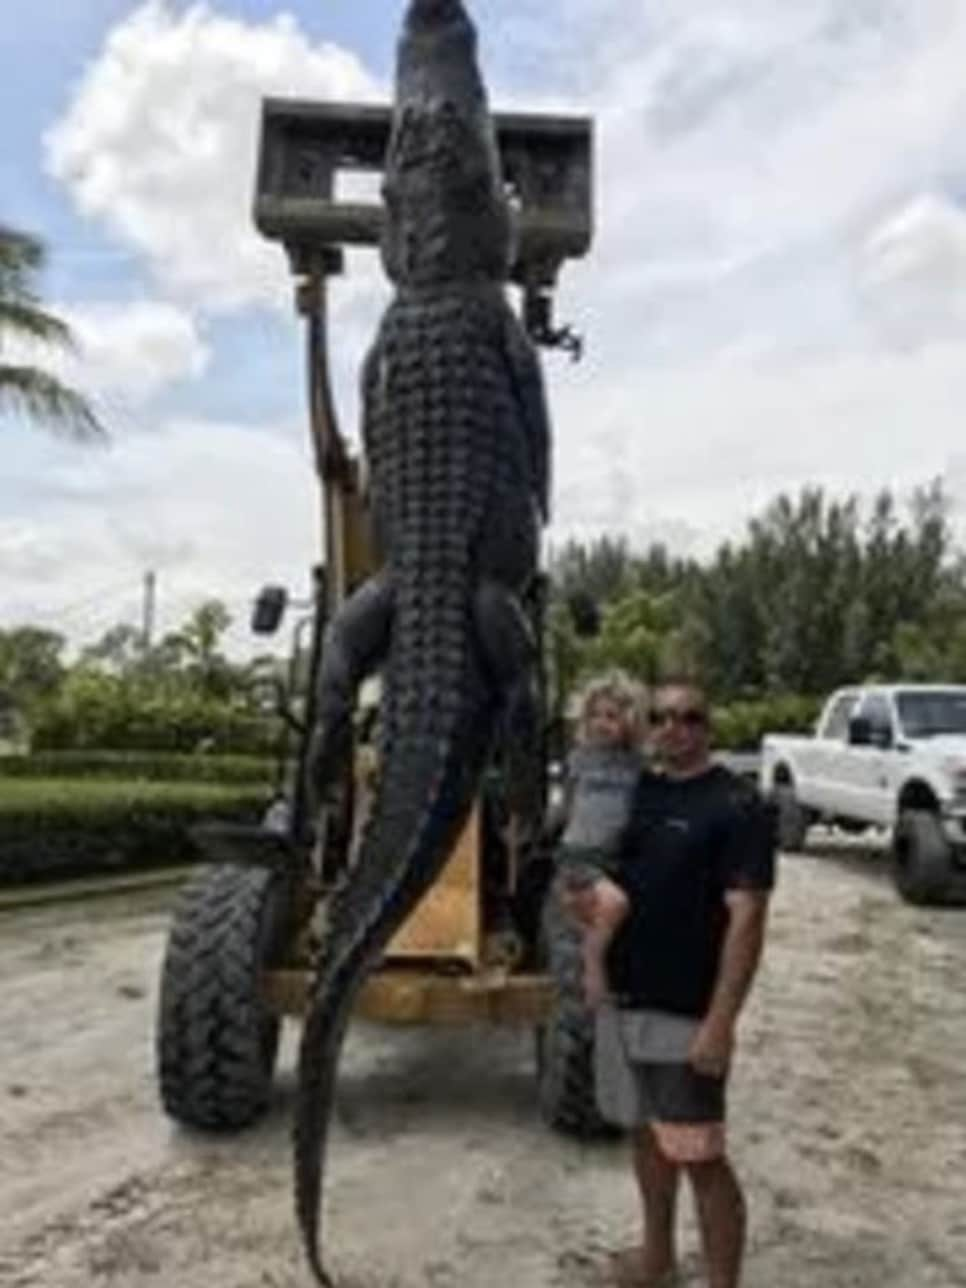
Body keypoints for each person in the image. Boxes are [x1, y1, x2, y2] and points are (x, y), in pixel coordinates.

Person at [568, 677, 776, 1288]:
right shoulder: (640, 792)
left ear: (708, 726)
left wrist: (720, 1024)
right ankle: (656, 1258)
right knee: (646, 1139)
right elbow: (592, 866)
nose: (672, 728)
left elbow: (748, 920)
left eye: (688, 717)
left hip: (686, 1014)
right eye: (660, 717)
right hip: (626, 999)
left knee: (701, 1156)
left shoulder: (737, 806)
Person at [555, 670, 647, 1008]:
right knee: (615, 905)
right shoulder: (579, 760)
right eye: (594, 715)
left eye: (611, 716)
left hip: (613, 857)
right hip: (579, 853)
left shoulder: (638, 766)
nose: (601, 723)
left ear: (630, 719)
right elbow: (567, 808)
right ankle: (592, 970)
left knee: (611, 911)